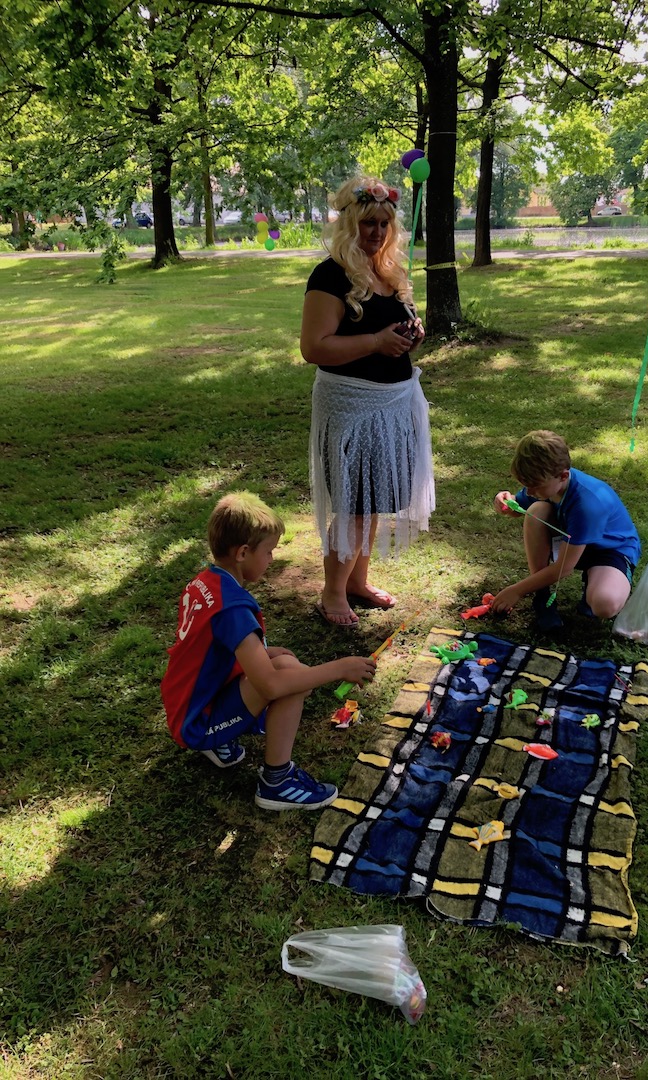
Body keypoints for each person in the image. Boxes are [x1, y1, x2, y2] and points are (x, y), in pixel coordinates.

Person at [160, 492, 376, 811]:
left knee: (284, 661)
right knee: (291, 679)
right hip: (196, 720)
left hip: (186, 700)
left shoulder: (206, 581)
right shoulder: (233, 610)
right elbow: (272, 686)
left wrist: (267, 652)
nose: (272, 559)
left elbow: (208, 647)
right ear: (243, 553)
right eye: (269, 551)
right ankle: (276, 782)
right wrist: (340, 668)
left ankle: (220, 741)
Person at [300, 175, 435, 628]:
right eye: (368, 223)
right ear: (348, 223)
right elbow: (314, 347)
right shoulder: (329, 275)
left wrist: (410, 335)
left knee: (372, 498)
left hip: (393, 402)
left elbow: (388, 328)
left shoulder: (388, 271)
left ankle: (357, 582)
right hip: (352, 406)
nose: (377, 232)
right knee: (354, 503)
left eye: (383, 223)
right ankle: (332, 593)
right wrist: (377, 341)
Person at [490, 431, 641, 631]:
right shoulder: (548, 482)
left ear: (563, 476)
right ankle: (542, 597)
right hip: (575, 541)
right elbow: (518, 507)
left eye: (534, 486)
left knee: (605, 604)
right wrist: (505, 503)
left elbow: (564, 568)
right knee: (536, 511)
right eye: (526, 486)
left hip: (610, 550)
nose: (529, 492)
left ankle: (598, 580)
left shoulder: (586, 504)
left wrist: (516, 590)